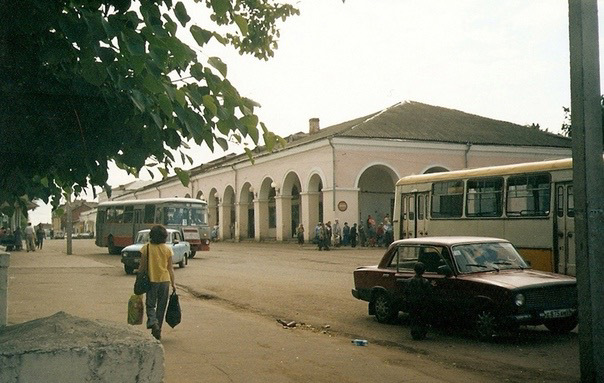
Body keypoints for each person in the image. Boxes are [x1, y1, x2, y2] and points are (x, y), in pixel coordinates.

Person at [137, 225, 176, 340]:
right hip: (165, 281)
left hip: (151, 281)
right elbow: (170, 268)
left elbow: (142, 267)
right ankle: (158, 329)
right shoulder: (168, 249)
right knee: (161, 306)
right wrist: (173, 283)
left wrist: (138, 280)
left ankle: (153, 322)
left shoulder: (146, 248)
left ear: (151, 236)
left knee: (150, 305)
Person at [407, 262, 432, 340]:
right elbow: (428, 293)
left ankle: (414, 334)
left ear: (414, 270)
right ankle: (422, 334)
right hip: (422, 303)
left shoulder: (409, 281)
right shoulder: (425, 281)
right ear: (424, 271)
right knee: (422, 319)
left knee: (414, 318)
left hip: (412, 302)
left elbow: (406, 292)